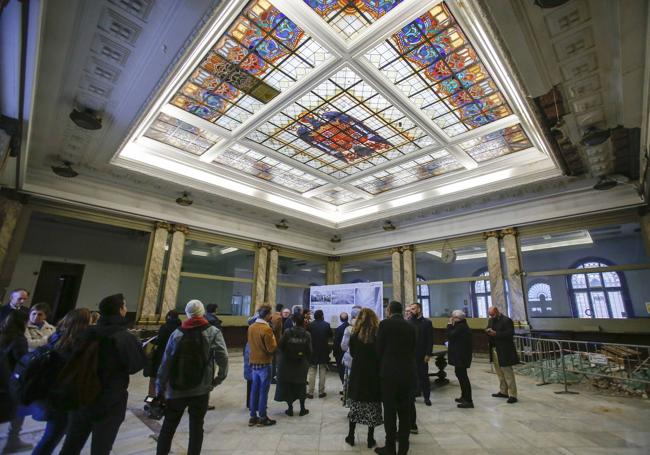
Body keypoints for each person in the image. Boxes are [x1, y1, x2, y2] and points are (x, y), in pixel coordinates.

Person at [59, 293, 146, 455]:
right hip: (109, 398)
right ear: (120, 310)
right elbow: (135, 366)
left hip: (81, 394)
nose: (126, 309)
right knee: (101, 448)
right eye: (125, 306)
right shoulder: (124, 337)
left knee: (71, 445)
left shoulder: (84, 333)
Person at [155, 300, 229, 455]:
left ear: (187, 314)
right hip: (201, 388)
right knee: (196, 427)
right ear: (202, 312)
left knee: (168, 426)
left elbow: (166, 362)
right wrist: (219, 378)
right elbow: (223, 357)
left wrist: (160, 386)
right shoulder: (213, 332)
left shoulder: (177, 333)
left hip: (176, 388)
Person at [32, 308, 92, 455]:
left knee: (53, 434)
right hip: (63, 394)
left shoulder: (57, 336)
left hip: (52, 391)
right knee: (53, 435)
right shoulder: (78, 343)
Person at [375, 301, 416, 455]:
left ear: (389, 310)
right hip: (407, 373)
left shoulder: (385, 324)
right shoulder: (410, 326)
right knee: (405, 412)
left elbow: (379, 349)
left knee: (390, 411)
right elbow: (413, 348)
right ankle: (403, 449)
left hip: (389, 373)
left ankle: (390, 447)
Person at [346, 308, 382, 449]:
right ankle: (370, 438)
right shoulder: (377, 334)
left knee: (356, 405)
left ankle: (350, 435)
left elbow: (353, 353)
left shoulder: (354, 334)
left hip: (358, 374)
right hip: (373, 374)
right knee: (372, 405)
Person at [0, 311, 30, 453]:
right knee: (17, 411)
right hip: (10, 381)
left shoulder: (3, 333)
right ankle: (13, 439)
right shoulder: (19, 339)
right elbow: (22, 361)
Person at [274, 312, 311, 417]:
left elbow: (280, 346)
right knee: (301, 386)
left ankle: (290, 409)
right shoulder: (307, 334)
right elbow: (309, 350)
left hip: (287, 363)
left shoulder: (287, 332)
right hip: (301, 364)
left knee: (289, 386)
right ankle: (302, 409)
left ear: (293, 322)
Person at [247, 304, 277, 426]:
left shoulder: (251, 327)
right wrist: (275, 341)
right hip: (264, 362)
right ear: (267, 315)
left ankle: (253, 416)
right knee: (263, 391)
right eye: (271, 314)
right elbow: (271, 349)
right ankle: (263, 417)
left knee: (254, 389)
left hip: (253, 362)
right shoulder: (267, 329)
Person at [486, 306, 519, 403]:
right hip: (495, 349)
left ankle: (513, 395)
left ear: (497, 312)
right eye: (490, 315)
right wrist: (487, 331)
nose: (491, 316)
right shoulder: (491, 320)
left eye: (492, 314)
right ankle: (503, 391)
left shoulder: (507, 320)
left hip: (505, 349)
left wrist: (496, 334)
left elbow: (510, 333)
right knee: (499, 372)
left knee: (507, 372)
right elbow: (488, 328)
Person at [147, 310, 181, 396]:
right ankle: (166, 399)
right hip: (174, 356)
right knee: (169, 378)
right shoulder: (181, 328)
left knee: (155, 377)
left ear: (168, 316)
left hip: (161, 355)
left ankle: (152, 398)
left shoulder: (164, 327)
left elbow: (159, 341)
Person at [447, 310, 473, 408]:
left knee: (463, 378)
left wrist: (449, 324)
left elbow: (449, 335)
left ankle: (468, 400)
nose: (451, 319)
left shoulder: (461, 327)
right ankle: (464, 396)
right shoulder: (460, 325)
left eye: (453, 317)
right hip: (460, 356)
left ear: (457, 318)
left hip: (461, 357)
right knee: (460, 376)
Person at [408, 303, 433, 407]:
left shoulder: (427, 322)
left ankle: (427, 397)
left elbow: (430, 339)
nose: (411, 311)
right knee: (412, 376)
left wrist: (428, 353)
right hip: (411, 355)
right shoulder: (408, 322)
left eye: (413, 309)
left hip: (422, 354)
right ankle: (413, 395)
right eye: (410, 309)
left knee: (424, 376)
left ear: (419, 309)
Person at [306, 309, 332, 399]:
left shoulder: (310, 325)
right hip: (323, 351)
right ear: (322, 315)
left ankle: (310, 392)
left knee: (312, 371)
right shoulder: (327, 325)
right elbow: (330, 336)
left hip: (312, 351)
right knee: (322, 370)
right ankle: (321, 392)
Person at [341, 305, 361, 404]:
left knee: (350, 384)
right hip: (362, 360)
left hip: (350, 360)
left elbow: (344, 346)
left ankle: (351, 406)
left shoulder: (349, 329)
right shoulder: (365, 328)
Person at [333, 312, 349, 384]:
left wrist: (335, 353)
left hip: (340, 354)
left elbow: (336, 343)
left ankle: (344, 387)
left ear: (340, 319)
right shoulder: (352, 327)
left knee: (342, 371)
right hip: (350, 353)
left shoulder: (338, 329)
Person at [270, 303, 284, 383]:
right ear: (281, 309)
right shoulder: (278, 318)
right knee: (276, 361)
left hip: (273, 340)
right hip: (277, 341)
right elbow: (276, 330)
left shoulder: (273, 316)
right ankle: (273, 377)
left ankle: (272, 377)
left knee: (274, 360)